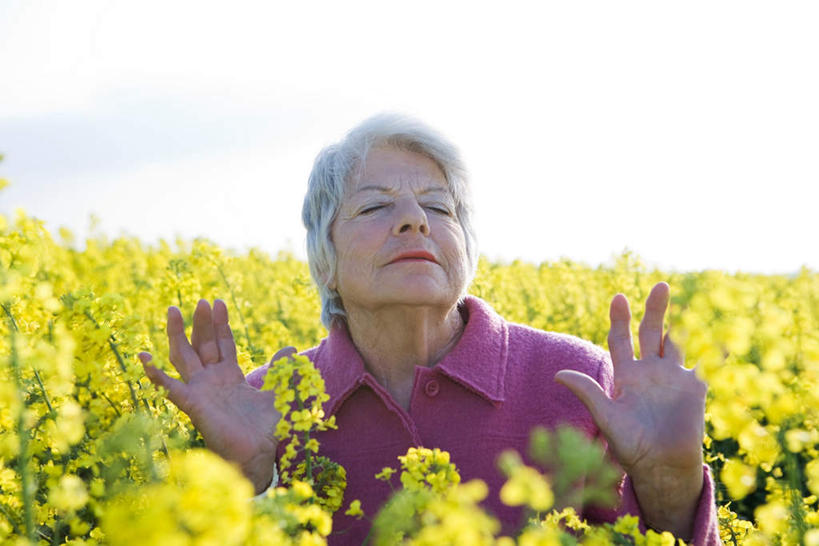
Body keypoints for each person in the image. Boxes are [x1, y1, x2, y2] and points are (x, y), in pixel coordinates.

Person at [139, 114, 721, 545]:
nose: (414, 220)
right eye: (373, 208)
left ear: (465, 251)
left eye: (439, 208)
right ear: (326, 263)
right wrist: (249, 482)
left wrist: (672, 488)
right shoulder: (269, 403)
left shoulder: (575, 380)